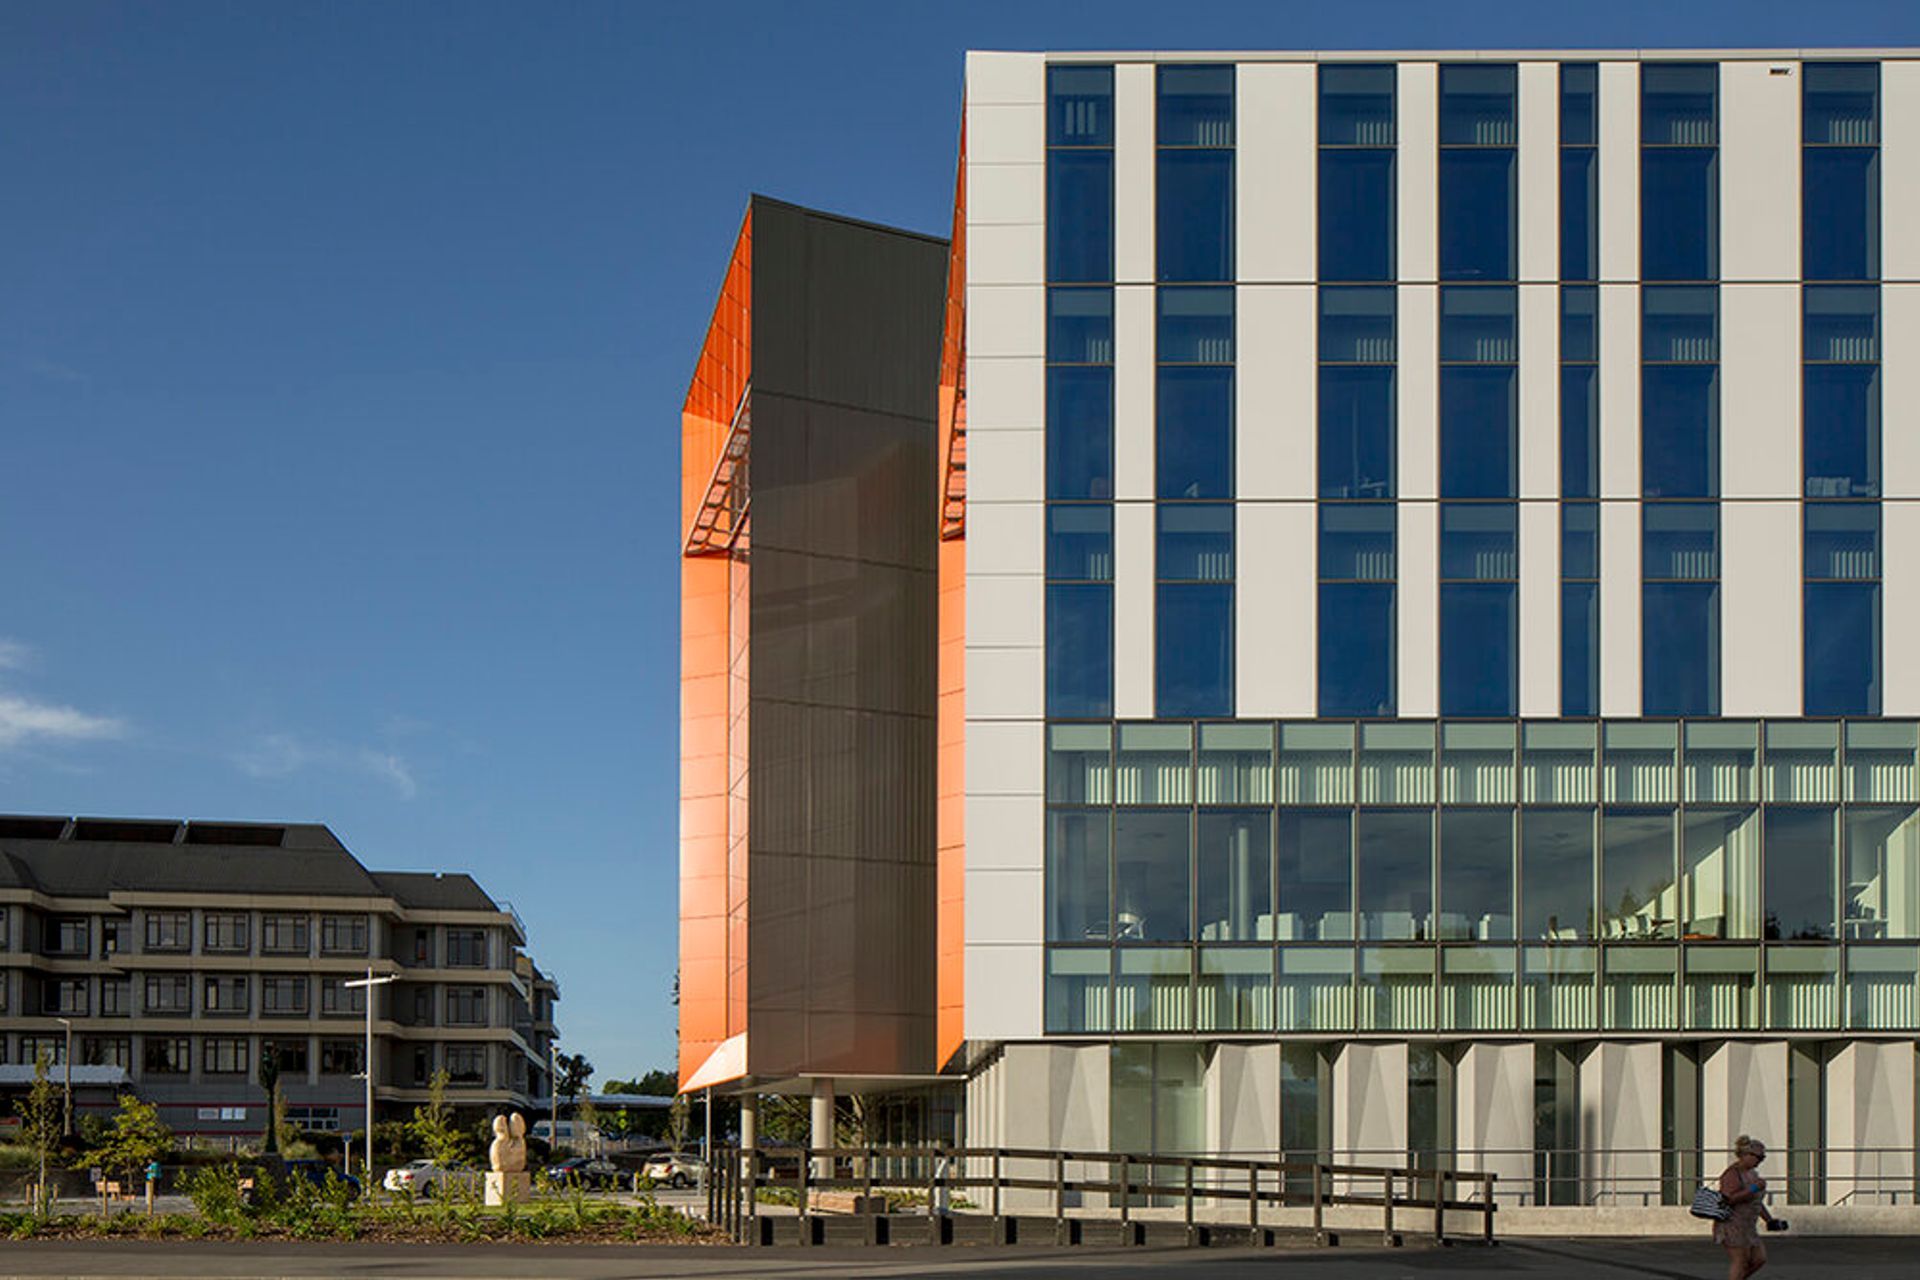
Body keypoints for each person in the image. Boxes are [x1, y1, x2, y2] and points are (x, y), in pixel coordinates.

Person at [1715, 1135, 1777, 1279]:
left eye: (1763, 1158)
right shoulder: (1732, 1174)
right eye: (1758, 1157)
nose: (1760, 1161)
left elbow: (1755, 1202)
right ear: (1744, 1155)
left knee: (1758, 1259)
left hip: (1748, 1225)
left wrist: (1769, 1220)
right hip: (1732, 1224)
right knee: (1740, 1260)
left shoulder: (1752, 1173)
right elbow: (1728, 1199)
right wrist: (1754, 1188)